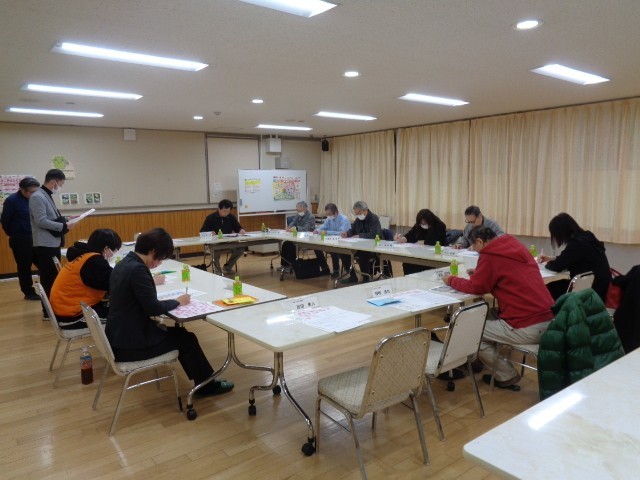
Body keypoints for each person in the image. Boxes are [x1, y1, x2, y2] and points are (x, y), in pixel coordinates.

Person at [106, 227, 233, 396]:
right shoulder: (138, 270)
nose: (159, 263)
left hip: (118, 336)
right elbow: (153, 308)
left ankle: (203, 382)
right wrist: (177, 301)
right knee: (187, 339)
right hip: (131, 344)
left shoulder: (125, 263)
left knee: (182, 336)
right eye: (160, 258)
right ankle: (206, 387)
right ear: (153, 251)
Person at [443, 226, 554, 388]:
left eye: (473, 246)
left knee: (468, 330)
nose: (474, 250)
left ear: (480, 241)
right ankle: (477, 360)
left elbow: (477, 288)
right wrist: (482, 272)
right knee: (483, 315)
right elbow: (506, 271)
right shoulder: (514, 244)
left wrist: (451, 280)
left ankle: (506, 374)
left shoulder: (489, 255)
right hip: (549, 319)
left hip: (525, 325)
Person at [49, 229, 122, 330]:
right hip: (73, 316)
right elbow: (114, 283)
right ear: (106, 248)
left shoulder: (83, 255)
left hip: (64, 308)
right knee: (125, 314)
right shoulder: (94, 262)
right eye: (114, 251)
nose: (113, 255)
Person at [29, 169, 76, 318]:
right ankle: (48, 312)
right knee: (48, 280)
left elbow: (51, 217)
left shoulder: (45, 194)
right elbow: (41, 221)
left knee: (53, 278)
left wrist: (67, 219)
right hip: (45, 245)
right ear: (54, 182)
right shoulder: (37, 196)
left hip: (52, 243)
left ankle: (55, 309)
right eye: (60, 184)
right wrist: (63, 226)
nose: (60, 187)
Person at [539, 212, 611, 301]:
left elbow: (557, 266)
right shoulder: (587, 236)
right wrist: (551, 258)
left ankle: (553, 309)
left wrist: (546, 264)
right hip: (600, 285)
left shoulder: (576, 243)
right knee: (556, 285)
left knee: (548, 288)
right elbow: (571, 258)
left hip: (589, 289)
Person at [1, 176, 41, 300]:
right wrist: (15, 234)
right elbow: (5, 221)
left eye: (36, 191)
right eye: (32, 192)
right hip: (20, 240)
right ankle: (28, 292)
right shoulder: (12, 200)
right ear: (22, 190)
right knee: (24, 267)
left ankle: (47, 288)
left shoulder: (35, 199)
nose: (34, 194)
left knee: (44, 264)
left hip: (36, 238)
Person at [281, 200, 330, 274]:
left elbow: (306, 228)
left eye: (299, 210)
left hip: (308, 239)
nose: (298, 212)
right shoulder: (298, 215)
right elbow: (293, 223)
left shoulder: (311, 217)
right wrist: (289, 227)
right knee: (286, 244)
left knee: (293, 247)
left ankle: (295, 265)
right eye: (297, 210)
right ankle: (286, 265)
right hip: (297, 238)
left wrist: (296, 228)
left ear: (304, 209)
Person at [340, 200, 382, 284]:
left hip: (372, 247)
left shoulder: (374, 218)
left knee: (363, 253)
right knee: (343, 252)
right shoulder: (358, 219)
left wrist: (359, 235)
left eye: (359, 212)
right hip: (359, 246)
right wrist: (347, 234)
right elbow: (352, 230)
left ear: (365, 210)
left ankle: (366, 277)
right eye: (356, 213)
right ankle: (352, 276)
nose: (358, 215)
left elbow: (375, 234)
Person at [200, 199, 246, 275]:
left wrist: (241, 230)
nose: (226, 213)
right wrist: (209, 233)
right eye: (224, 211)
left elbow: (238, 228)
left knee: (240, 249)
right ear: (219, 208)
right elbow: (202, 232)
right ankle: (218, 271)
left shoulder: (231, 217)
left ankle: (228, 266)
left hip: (228, 242)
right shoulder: (210, 218)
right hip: (215, 244)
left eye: (228, 211)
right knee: (216, 251)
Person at [394, 208, 447, 275]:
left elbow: (435, 241)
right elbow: (411, 235)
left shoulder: (439, 225)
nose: (423, 225)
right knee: (408, 262)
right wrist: (402, 239)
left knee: (421, 265)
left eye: (425, 223)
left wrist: (423, 242)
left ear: (430, 221)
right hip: (420, 252)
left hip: (435, 253)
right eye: (421, 223)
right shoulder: (419, 225)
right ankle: (410, 279)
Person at [313, 203, 351, 278]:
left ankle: (336, 271)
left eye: (329, 214)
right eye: (327, 214)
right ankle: (325, 268)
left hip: (344, 243)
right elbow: (324, 226)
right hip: (331, 241)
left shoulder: (344, 220)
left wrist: (327, 232)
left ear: (336, 212)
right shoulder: (329, 219)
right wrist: (317, 230)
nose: (328, 216)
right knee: (316, 248)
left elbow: (341, 233)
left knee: (334, 250)